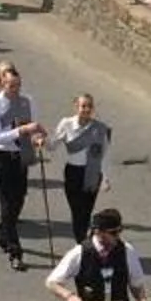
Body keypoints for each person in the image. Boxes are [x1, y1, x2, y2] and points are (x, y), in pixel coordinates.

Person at [0, 64, 46, 270]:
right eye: (10, 86)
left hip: (21, 154)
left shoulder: (27, 101)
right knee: (7, 203)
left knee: (18, 199)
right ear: (1, 84)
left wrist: (37, 138)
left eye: (17, 85)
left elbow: (34, 126)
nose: (15, 89)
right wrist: (22, 130)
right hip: (0, 156)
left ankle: (3, 234)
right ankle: (15, 251)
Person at [52, 92, 111, 245]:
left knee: (85, 212)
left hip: (92, 174)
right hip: (73, 173)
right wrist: (40, 141)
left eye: (89, 106)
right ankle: (83, 243)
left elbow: (104, 154)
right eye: (83, 106)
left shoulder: (99, 129)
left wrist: (105, 178)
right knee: (77, 211)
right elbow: (53, 145)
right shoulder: (66, 124)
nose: (86, 109)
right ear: (76, 107)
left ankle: (82, 244)